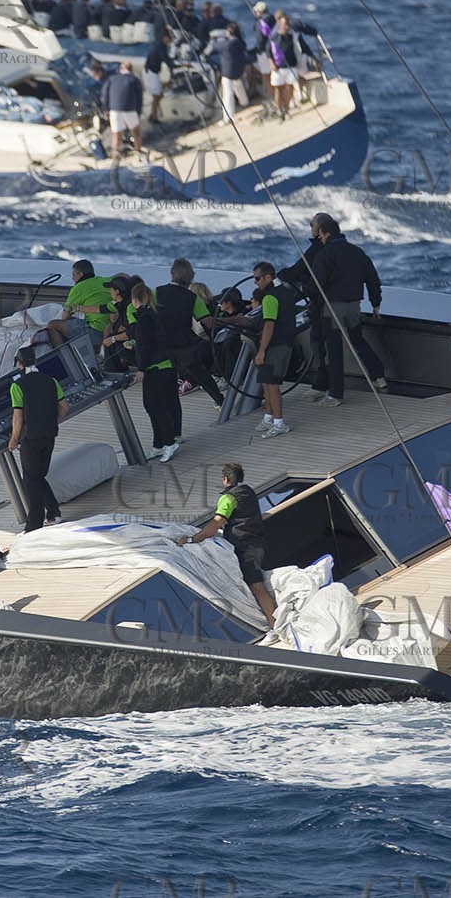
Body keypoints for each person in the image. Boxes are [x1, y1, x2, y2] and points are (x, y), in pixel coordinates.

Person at [176, 462, 278, 628]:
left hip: (245, 546)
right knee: (259, 583)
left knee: (256, 586)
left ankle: (274, 624)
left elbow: (217, 523)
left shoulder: (228, 498)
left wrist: (192, 540)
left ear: (225, 479)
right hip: (258, 541)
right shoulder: (248, 491)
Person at [311, 215, 387, 406]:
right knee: (357, 340)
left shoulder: (324, 254)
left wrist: (310, 298)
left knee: (334, 349)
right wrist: (375, 303)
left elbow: (317, 284)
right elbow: (372, 279)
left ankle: (335, 394)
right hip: (354, 306)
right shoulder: (357, 252)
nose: (318, 237)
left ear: (325, 233)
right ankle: (379, 376)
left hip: (333, 308)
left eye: (318, 232)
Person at [8, 345, 69, 533]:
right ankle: (53, 512)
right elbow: (64, 407)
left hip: (30, 437)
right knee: (39, 475)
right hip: (49, 434)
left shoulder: (17, 385)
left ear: (19, 364)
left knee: (31, 481)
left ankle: (34, 524)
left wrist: (14, 439)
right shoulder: (51, 381)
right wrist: (48, 420)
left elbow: (18, 416)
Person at [155, 259, 223, 408]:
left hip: (161, 344)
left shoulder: (157, 292)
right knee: (202, 375)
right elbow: (208, 323)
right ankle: (220, 401)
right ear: (191, 277)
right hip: (184, 344)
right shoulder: (192, 298)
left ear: (172, 273)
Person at [281, 213, 333, 400]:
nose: (310, 227)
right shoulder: (340, 249)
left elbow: (298, 271)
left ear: (319, 230)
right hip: (341, 303)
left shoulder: (317, 249)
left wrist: (280, 274)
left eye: (312, 224)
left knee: (318, 342)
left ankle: (322, 385)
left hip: (321, 304)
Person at [131, 283, 182, 463]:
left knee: (155, 406)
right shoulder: (154, 314)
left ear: (135, 300)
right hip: (166, 366)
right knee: (159, 406)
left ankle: (169, 443)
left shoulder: (145, 319)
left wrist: (141, 369)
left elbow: (147, 346)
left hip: (156, 368)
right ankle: (158, 444)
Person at [250, 262, 293, 438]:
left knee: (272, 385)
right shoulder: (286, 293)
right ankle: (269, 417)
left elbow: (269, 324)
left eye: (258, 278)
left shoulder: (269, 298)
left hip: (274, 346)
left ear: (269, 277)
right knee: (266, 382)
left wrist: (261, 351)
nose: (256, 282)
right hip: (286, 342)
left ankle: (279, 422)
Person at [45, 259, 112, 350]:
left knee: (53, 325)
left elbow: (65, 317)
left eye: (73, 274)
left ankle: (64, 356)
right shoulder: (105, 280)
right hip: (111, 329)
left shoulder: (79, 287)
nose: (72, 278)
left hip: (97, 332)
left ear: (80, 274)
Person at [268, 13, 315, 118]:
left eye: (288, 24)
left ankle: (286, 108)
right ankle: (279, 109)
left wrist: (312, 58)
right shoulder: (274, 37)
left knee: (290, 87)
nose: (287, 27)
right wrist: (272, 64)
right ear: (280, 25)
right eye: (285, 24)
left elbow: (301, 48)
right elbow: (268, 52)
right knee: (278, 88)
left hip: (291, 66)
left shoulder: (292, 36)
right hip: (278, 67)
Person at [98, 62, 144, 158]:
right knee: (136, 132)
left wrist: (106, 109)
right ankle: (139, 153)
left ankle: (115, 156)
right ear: (131, 70)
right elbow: (139, 98)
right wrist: (138, 112)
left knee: (116, 134)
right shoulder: (134, 80)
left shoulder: (112, 78)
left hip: (114, 110)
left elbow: (105, 95)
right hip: (130, 109)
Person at [212, 23, 251, 121]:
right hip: (238, 70)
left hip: (228, 72)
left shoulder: (226, 44)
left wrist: (214, 39)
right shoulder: (240, 43)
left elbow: (215, 46)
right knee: (238, 86)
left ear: (229, 32)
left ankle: (227, 117)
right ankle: (245, 103)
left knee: (227, 94)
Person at [143, 31, 171, 123]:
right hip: (150, 72)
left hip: (152, 72)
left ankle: (153, 114)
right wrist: (174, 65)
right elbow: (166, 59)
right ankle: (153, 117)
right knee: (157, 95)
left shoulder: (160, 45)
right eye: (169, 39)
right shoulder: (160, 47)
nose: (170, 41)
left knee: (159, 95)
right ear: (165, 38)